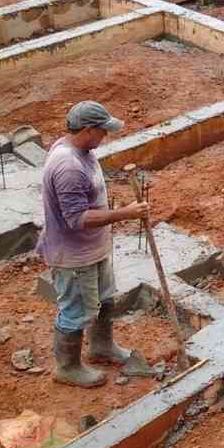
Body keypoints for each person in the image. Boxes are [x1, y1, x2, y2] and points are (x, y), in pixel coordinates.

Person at [38, 101, 148, 388]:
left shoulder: (82, 150)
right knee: (76, 311)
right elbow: (77, 218)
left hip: (93, 248)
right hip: (75, 257)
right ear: (87, 130)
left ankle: (101, 346)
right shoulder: (68, 166)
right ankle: (68, 367)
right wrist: (125, 213)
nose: (105, 136)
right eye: (102, 131)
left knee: (105, 299)